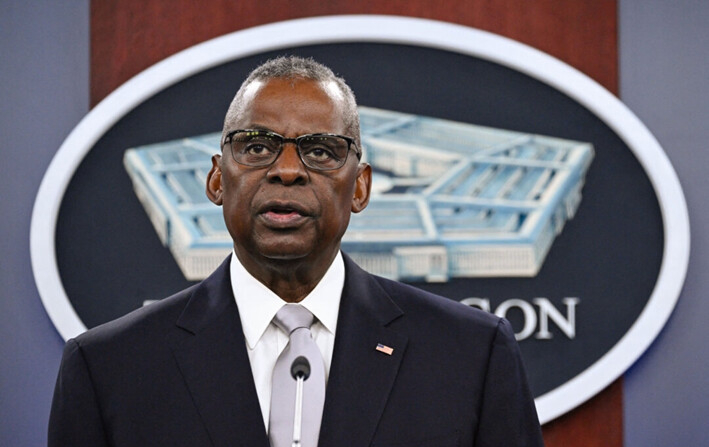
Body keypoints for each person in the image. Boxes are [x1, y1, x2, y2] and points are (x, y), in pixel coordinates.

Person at [49, 56, 544, 447]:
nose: (288, 170)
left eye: (322, 150)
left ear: (361, 188)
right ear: (218, 178)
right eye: (258, 147)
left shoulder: (472, 355)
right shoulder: (108, 368)